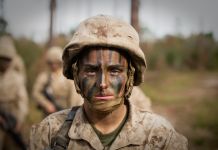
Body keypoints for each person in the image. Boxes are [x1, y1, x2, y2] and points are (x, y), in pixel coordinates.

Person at [30, 15, 188, 150]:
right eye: (91, 70)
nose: (102, 83)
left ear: (130, 77)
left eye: (115, 71)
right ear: (77, 76)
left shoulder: (160, 136)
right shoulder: (51, 132)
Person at [32, 46, 83, 115]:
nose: (53, 65)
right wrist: (46, 104)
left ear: (60, 62)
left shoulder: (67, 76)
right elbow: (36, 93)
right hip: (48, 114)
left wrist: (72, 113)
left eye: (56, 62)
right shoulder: (44, 77)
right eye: (51, 63)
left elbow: (74, 97)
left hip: (65, 111)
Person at [0, 36, 28, 150]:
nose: (5, 63)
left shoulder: (17, 78)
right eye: (2, 59)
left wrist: (19, 120)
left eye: (8, 60)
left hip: (12, 112)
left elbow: (22, 100)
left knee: (13, 143)